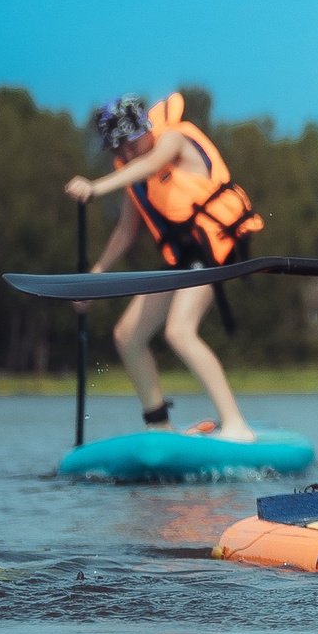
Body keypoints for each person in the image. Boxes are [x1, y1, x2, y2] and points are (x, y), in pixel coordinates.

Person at [67, 91, 264, 441]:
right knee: (127, 335)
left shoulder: (173, 138)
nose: (128, 155)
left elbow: (151, 164)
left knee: (179, 331)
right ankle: (159, 424)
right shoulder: (133, 172)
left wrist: (95, 188)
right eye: (119, 150)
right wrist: (93, 279)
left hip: (212, 247)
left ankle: (236, 425)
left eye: (131, 144)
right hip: (182, 258)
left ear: (146, 129)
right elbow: (125, 233)